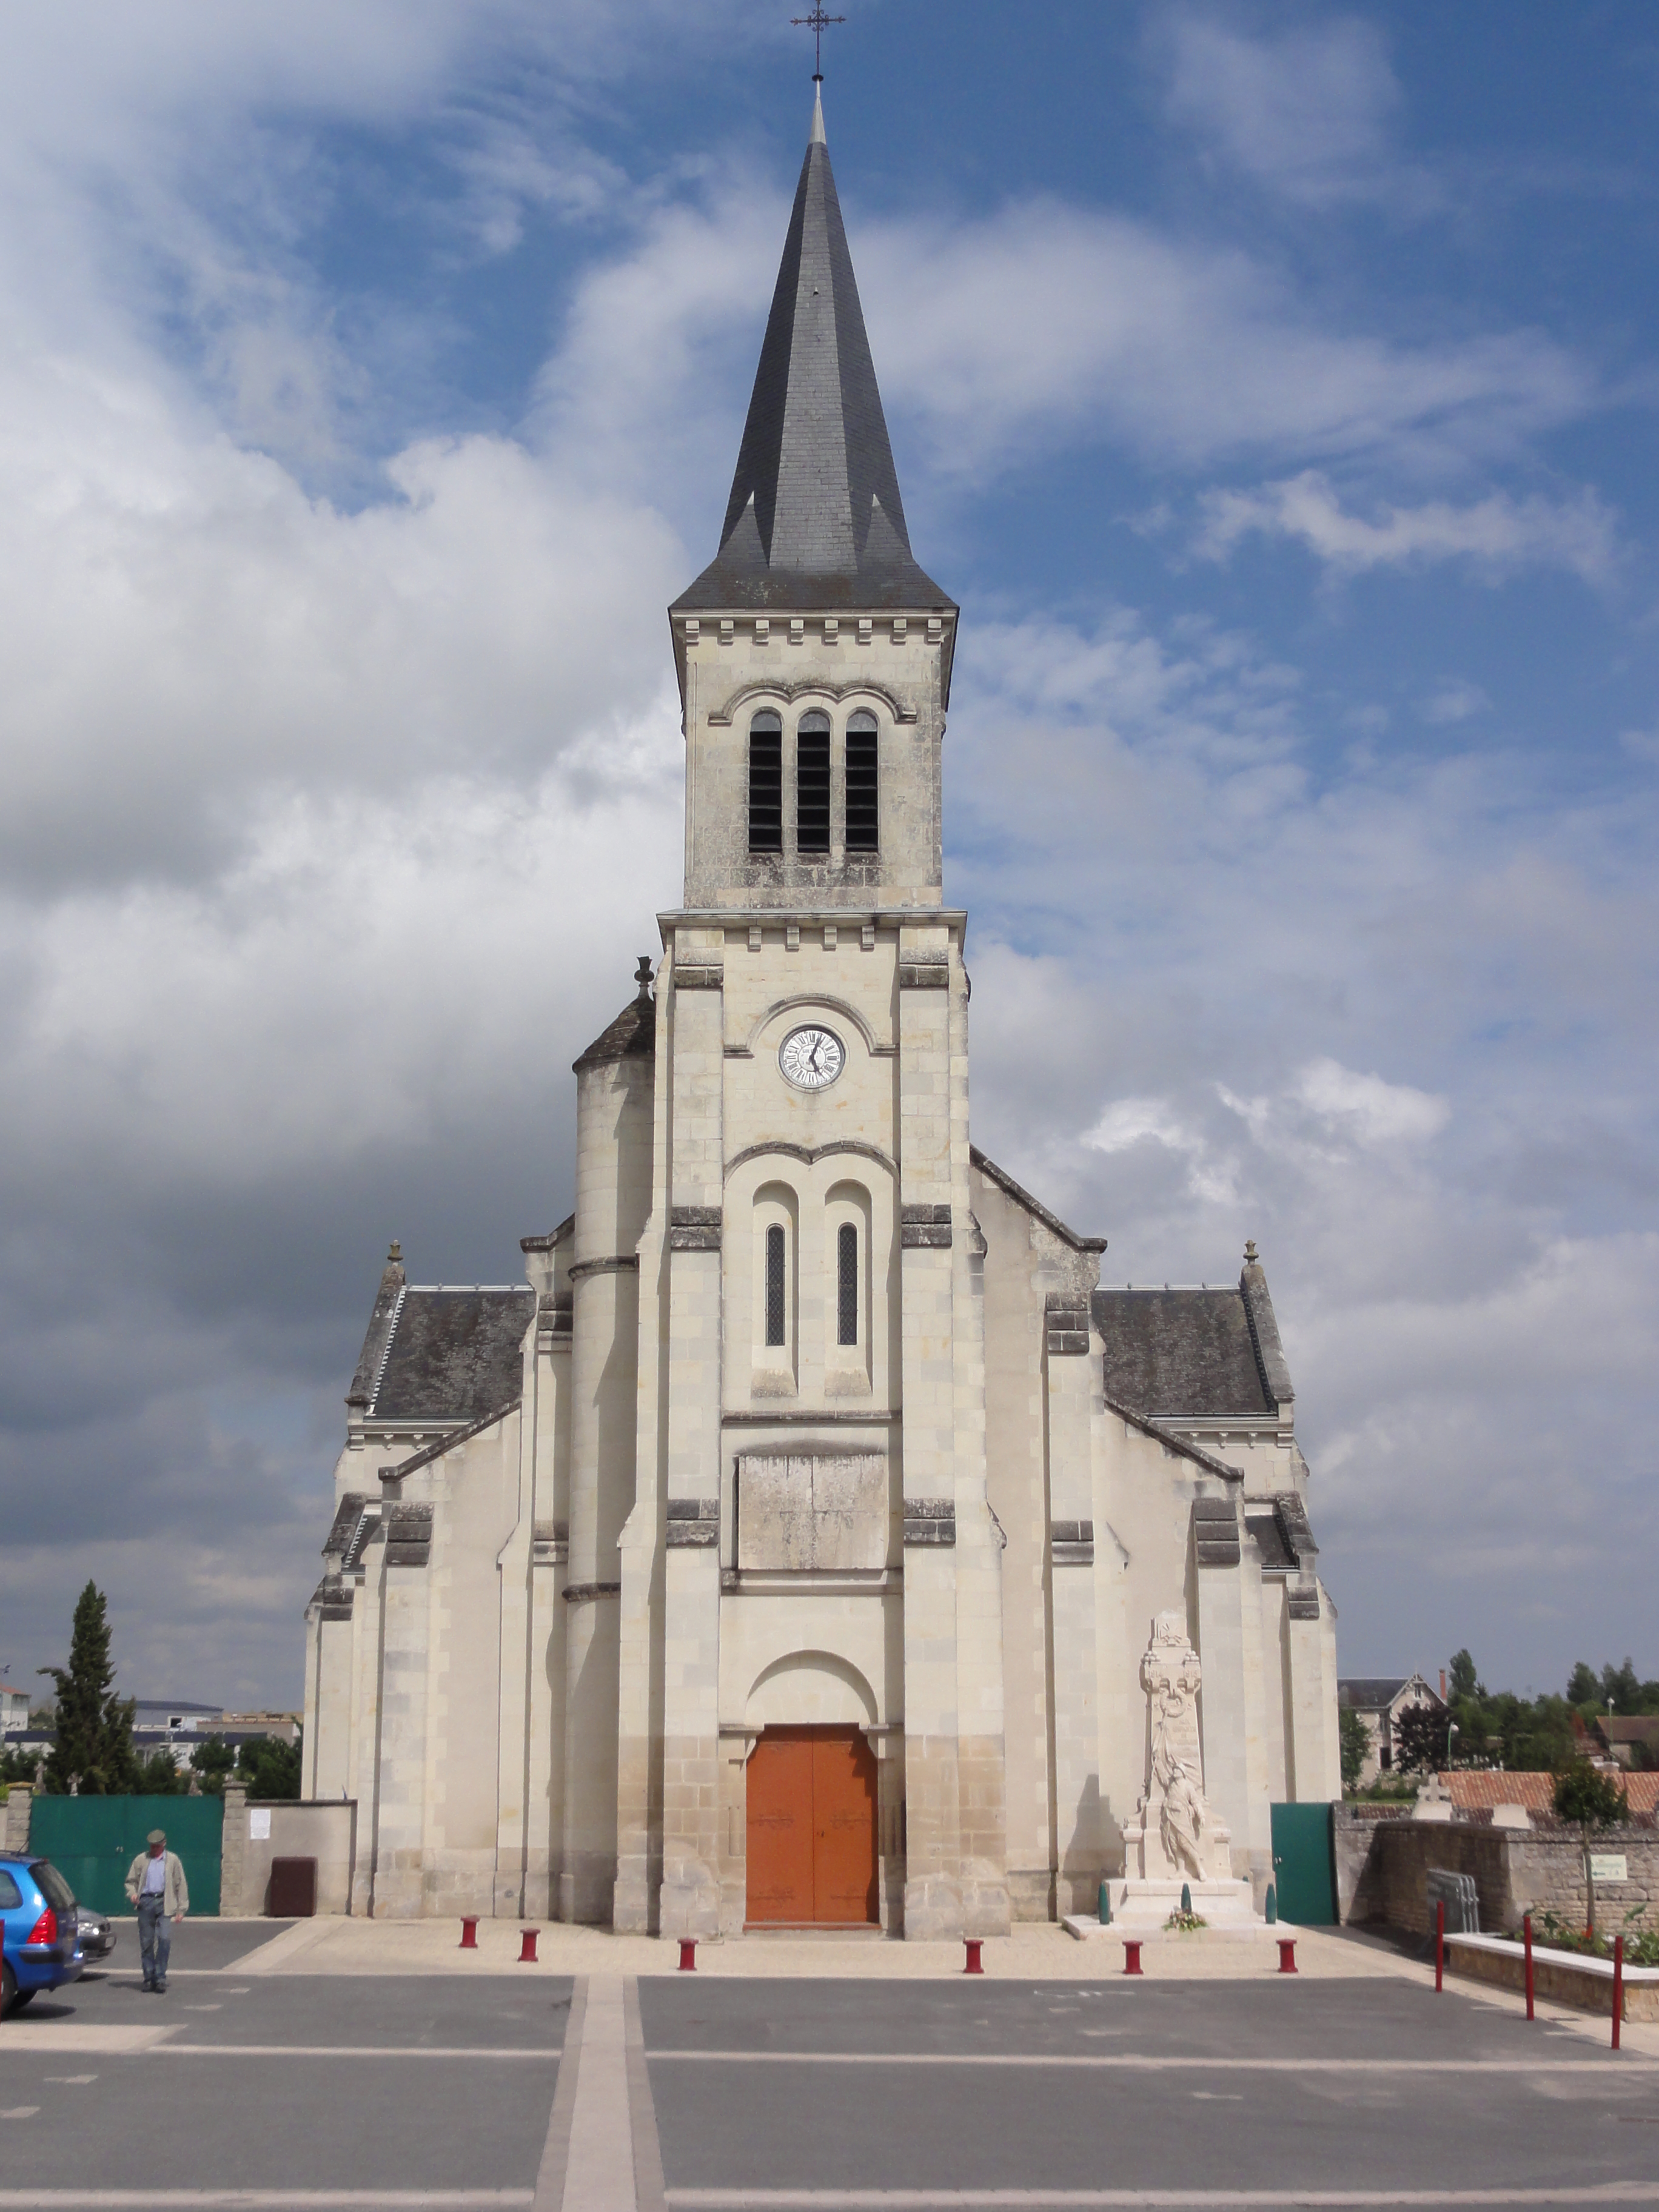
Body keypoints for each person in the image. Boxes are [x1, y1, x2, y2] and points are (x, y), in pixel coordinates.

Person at [124, 1829, 188, 1993]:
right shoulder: (141, 1859)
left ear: (164, 1844)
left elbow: (180, 1885)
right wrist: (133, 1894)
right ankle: (148, 1978)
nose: (154, 1849)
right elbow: (130, 1881)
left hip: (164, 1902)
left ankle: (160, 1977)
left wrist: (181, 1909)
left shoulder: (173, 1860)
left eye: (157, 1846)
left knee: (165, 1939)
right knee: (146, 1942)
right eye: (152, 1846)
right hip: (146, 1902)